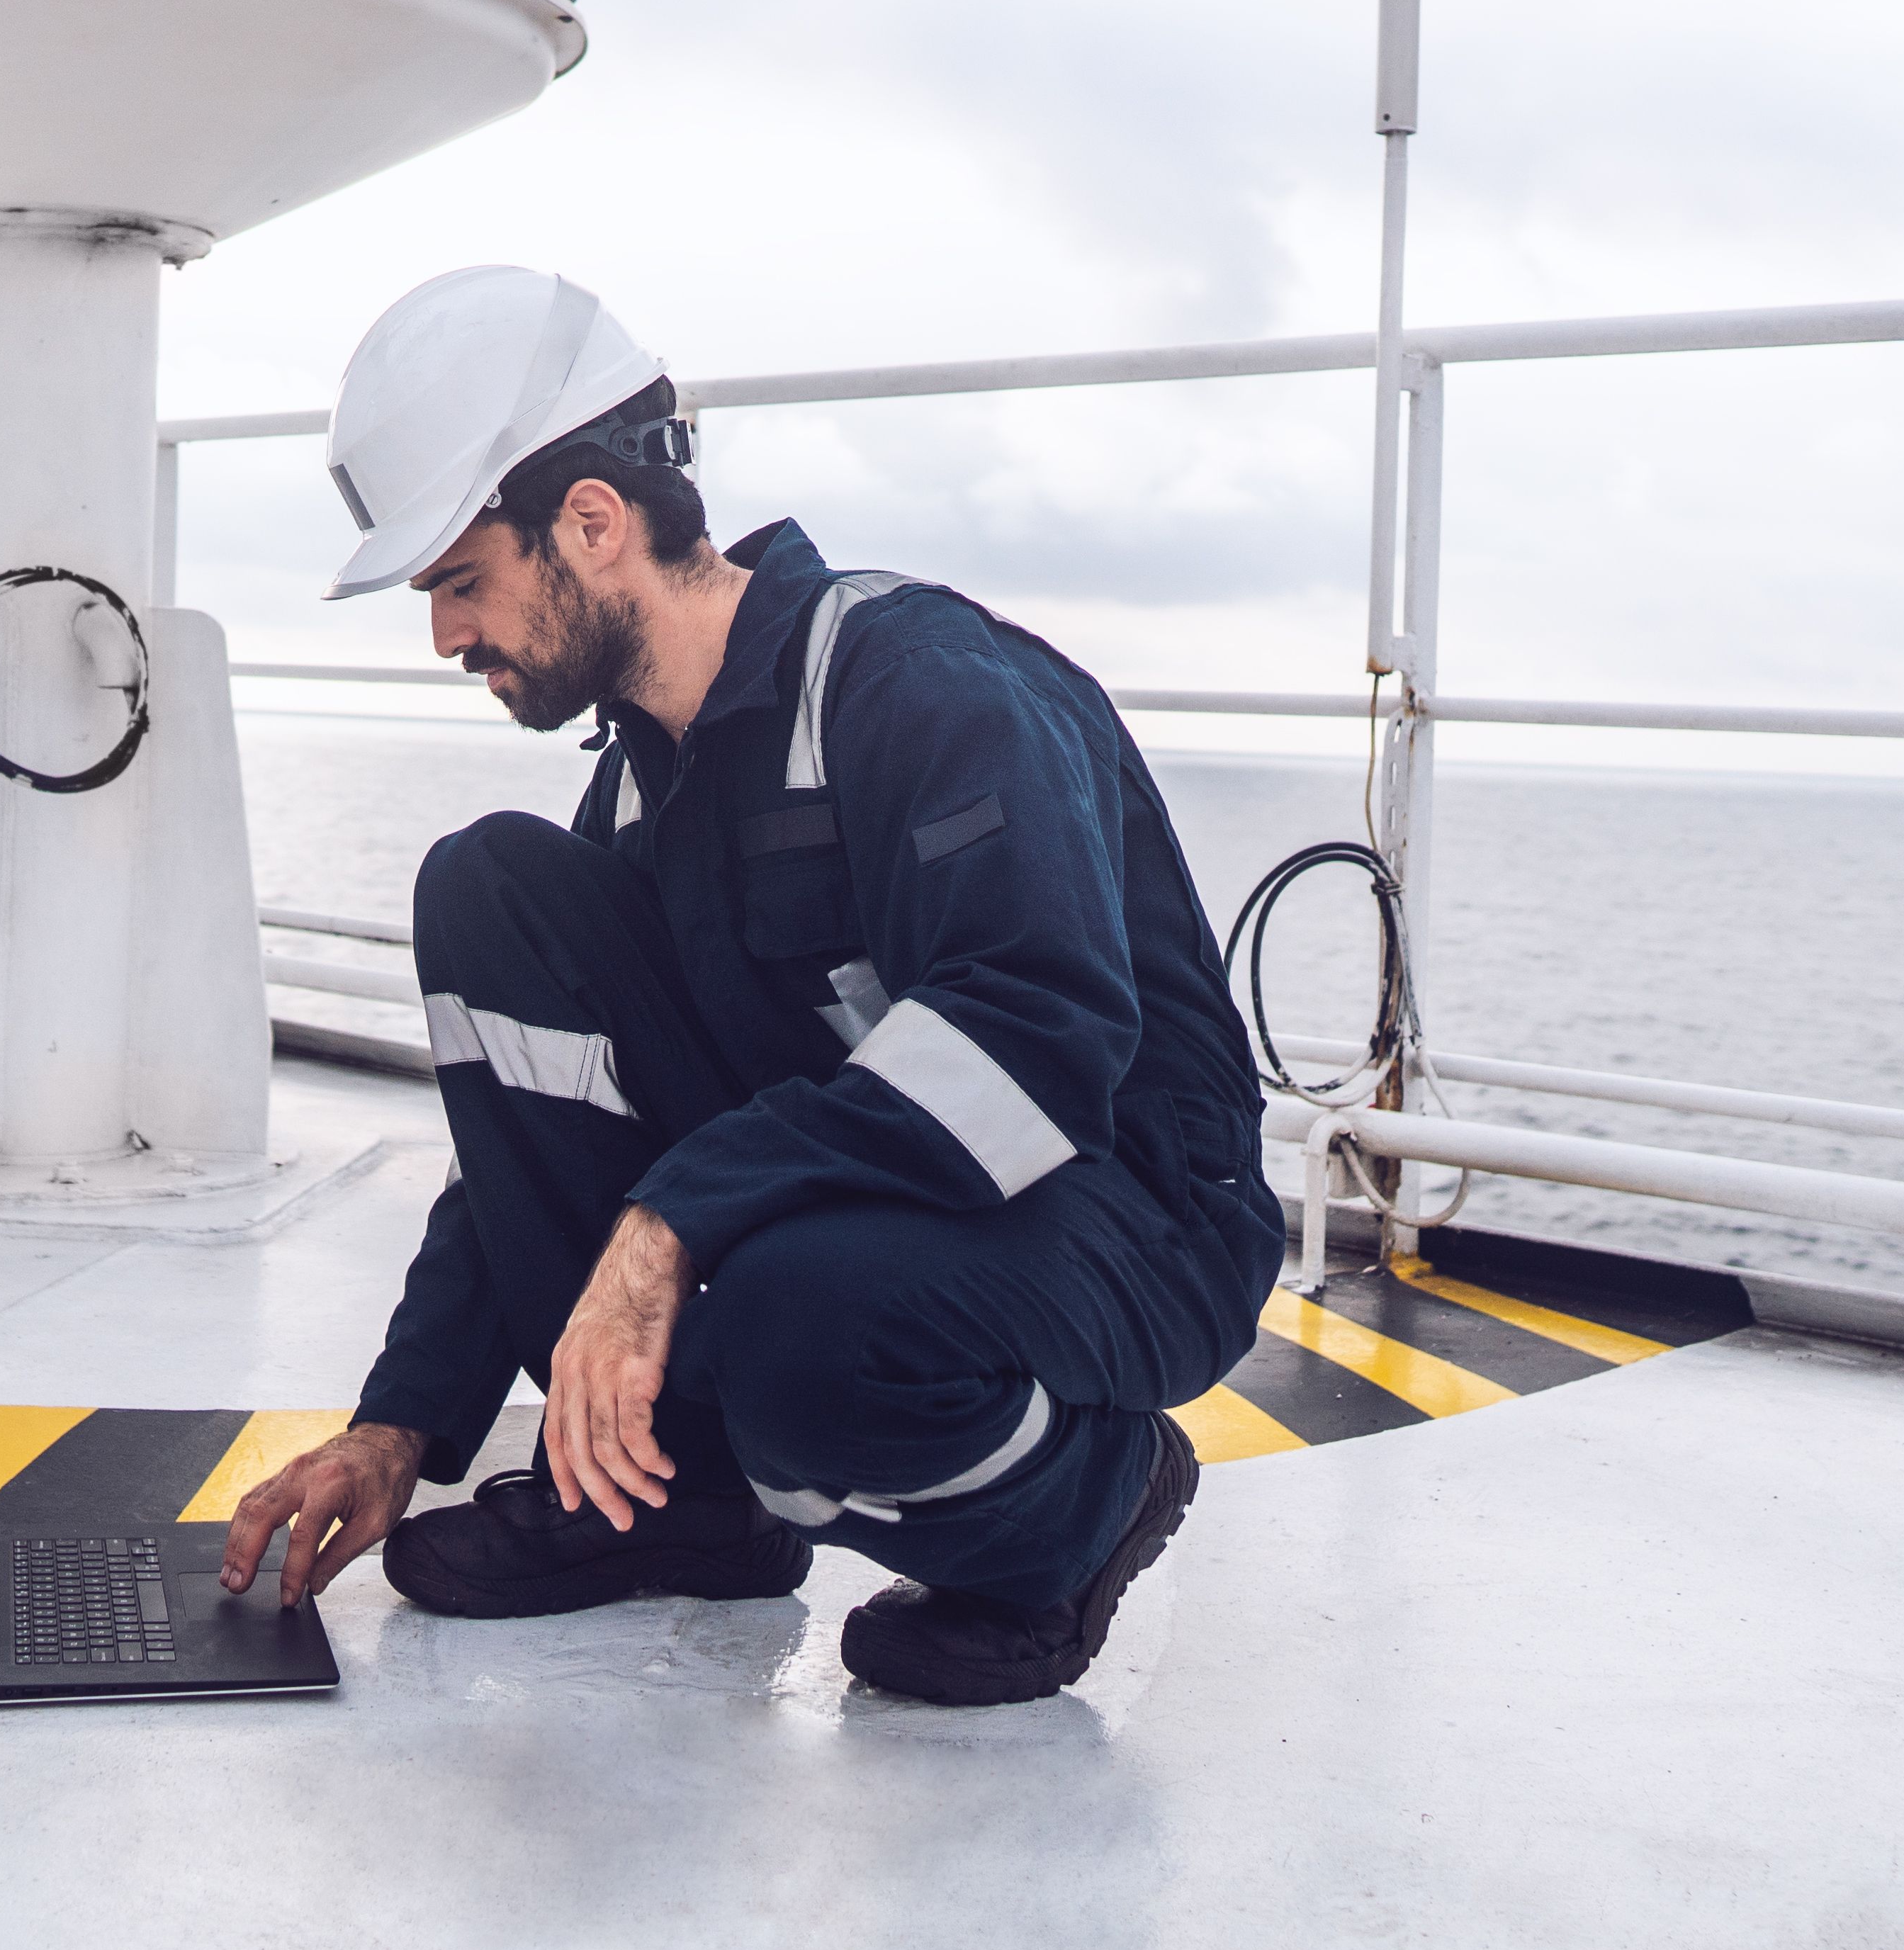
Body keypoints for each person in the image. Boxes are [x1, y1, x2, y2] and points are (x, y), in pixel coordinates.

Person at [217, 267, 1284, 1706]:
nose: (446, 636)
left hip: (1130, 1203)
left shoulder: (918, 681)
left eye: (462, 581)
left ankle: (1083, 1508)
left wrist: (675, 1215)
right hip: (912, 1193)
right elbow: (535, 1134)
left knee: (799, 1317)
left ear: (592, 524)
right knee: (491, 889)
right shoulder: (649, 791)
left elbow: (1039, 1034)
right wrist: (401, 1422)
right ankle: (680, 1502)